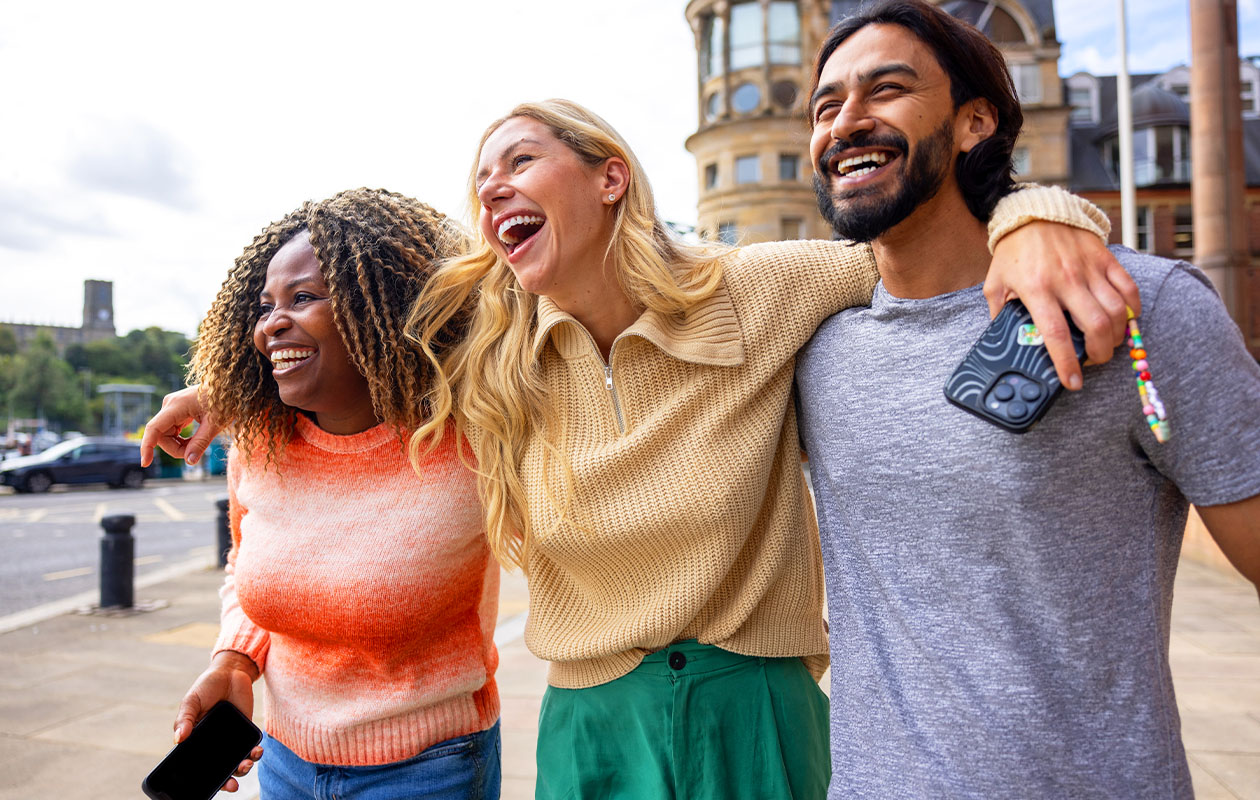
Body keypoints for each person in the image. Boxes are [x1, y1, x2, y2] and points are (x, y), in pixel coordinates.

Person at [146, 104, 1132, 798]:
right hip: (586, 717)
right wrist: (227, 386)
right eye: (482, 177)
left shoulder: (757, 288)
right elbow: (378, 338)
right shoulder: (496, 355)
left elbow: (919, 253)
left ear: (610, 174)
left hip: (748, 701)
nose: (494, 185)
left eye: (520, 159)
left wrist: (1041, 214)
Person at [794, 2, 1260, 797]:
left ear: (976, 121)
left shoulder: (1136, 306)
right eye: (827, 105)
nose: (847, 122)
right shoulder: (813, 347)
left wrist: (1042, 212)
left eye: (887, 90)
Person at [165, 188, 501, 800]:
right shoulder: (259, 444)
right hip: (284, 762)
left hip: (432, 768)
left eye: (303, 298)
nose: (272, 324)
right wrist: (235, 661)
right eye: (265, 306)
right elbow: (247, 565)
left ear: (386, 311)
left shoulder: (468, 441)